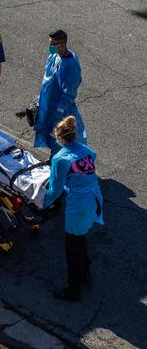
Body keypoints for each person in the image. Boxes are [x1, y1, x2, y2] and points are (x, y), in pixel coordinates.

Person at [43, 116, 103, 301]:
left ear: (59, 137)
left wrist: (44, 203)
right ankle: (86, 273)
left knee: (72, 248)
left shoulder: (61, 159)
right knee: (80, 239)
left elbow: (55, 188)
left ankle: (73, 288)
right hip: (94, 199)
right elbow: (91, 159)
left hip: (78, 205)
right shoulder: (86, 150)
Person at [34, 29, 86, 155]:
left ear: (62, 44)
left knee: (63, 140)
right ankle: (54, 159)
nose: (50, 47)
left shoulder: (71, 64)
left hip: (61, 109)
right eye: (50, 43)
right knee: (52, 138)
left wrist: (59, 111)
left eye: (53, 44)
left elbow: (70, 92)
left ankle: (64, 166)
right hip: (49, 105)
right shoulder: (54, 56)